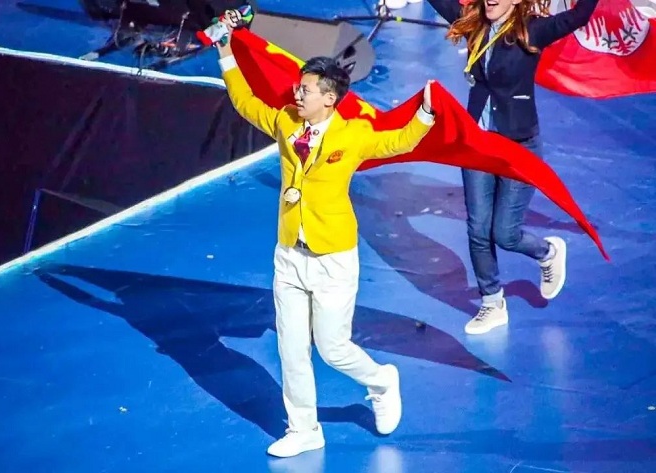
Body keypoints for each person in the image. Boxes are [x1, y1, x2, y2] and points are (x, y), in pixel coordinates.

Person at [211, 16, 436, 457]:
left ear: (329, 98)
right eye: (299, 87)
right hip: (289, 253)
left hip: (333, 256)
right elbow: (245, 103)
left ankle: (381, 380)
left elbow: (399, 142)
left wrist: (426, 114)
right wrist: (224, 52)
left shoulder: (354, 135)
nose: (297, 94)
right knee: (291, 349)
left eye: (306, 90)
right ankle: (304, 429)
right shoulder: (285, 121)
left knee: (332, 348)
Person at [424, 0, 600, 335]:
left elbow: (579, 16)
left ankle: (547, 252)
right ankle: (492, 303)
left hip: (518, 146)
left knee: (504, 233)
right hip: (477, 143)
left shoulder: (532, 30)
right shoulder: (473, 22)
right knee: (478, 227)